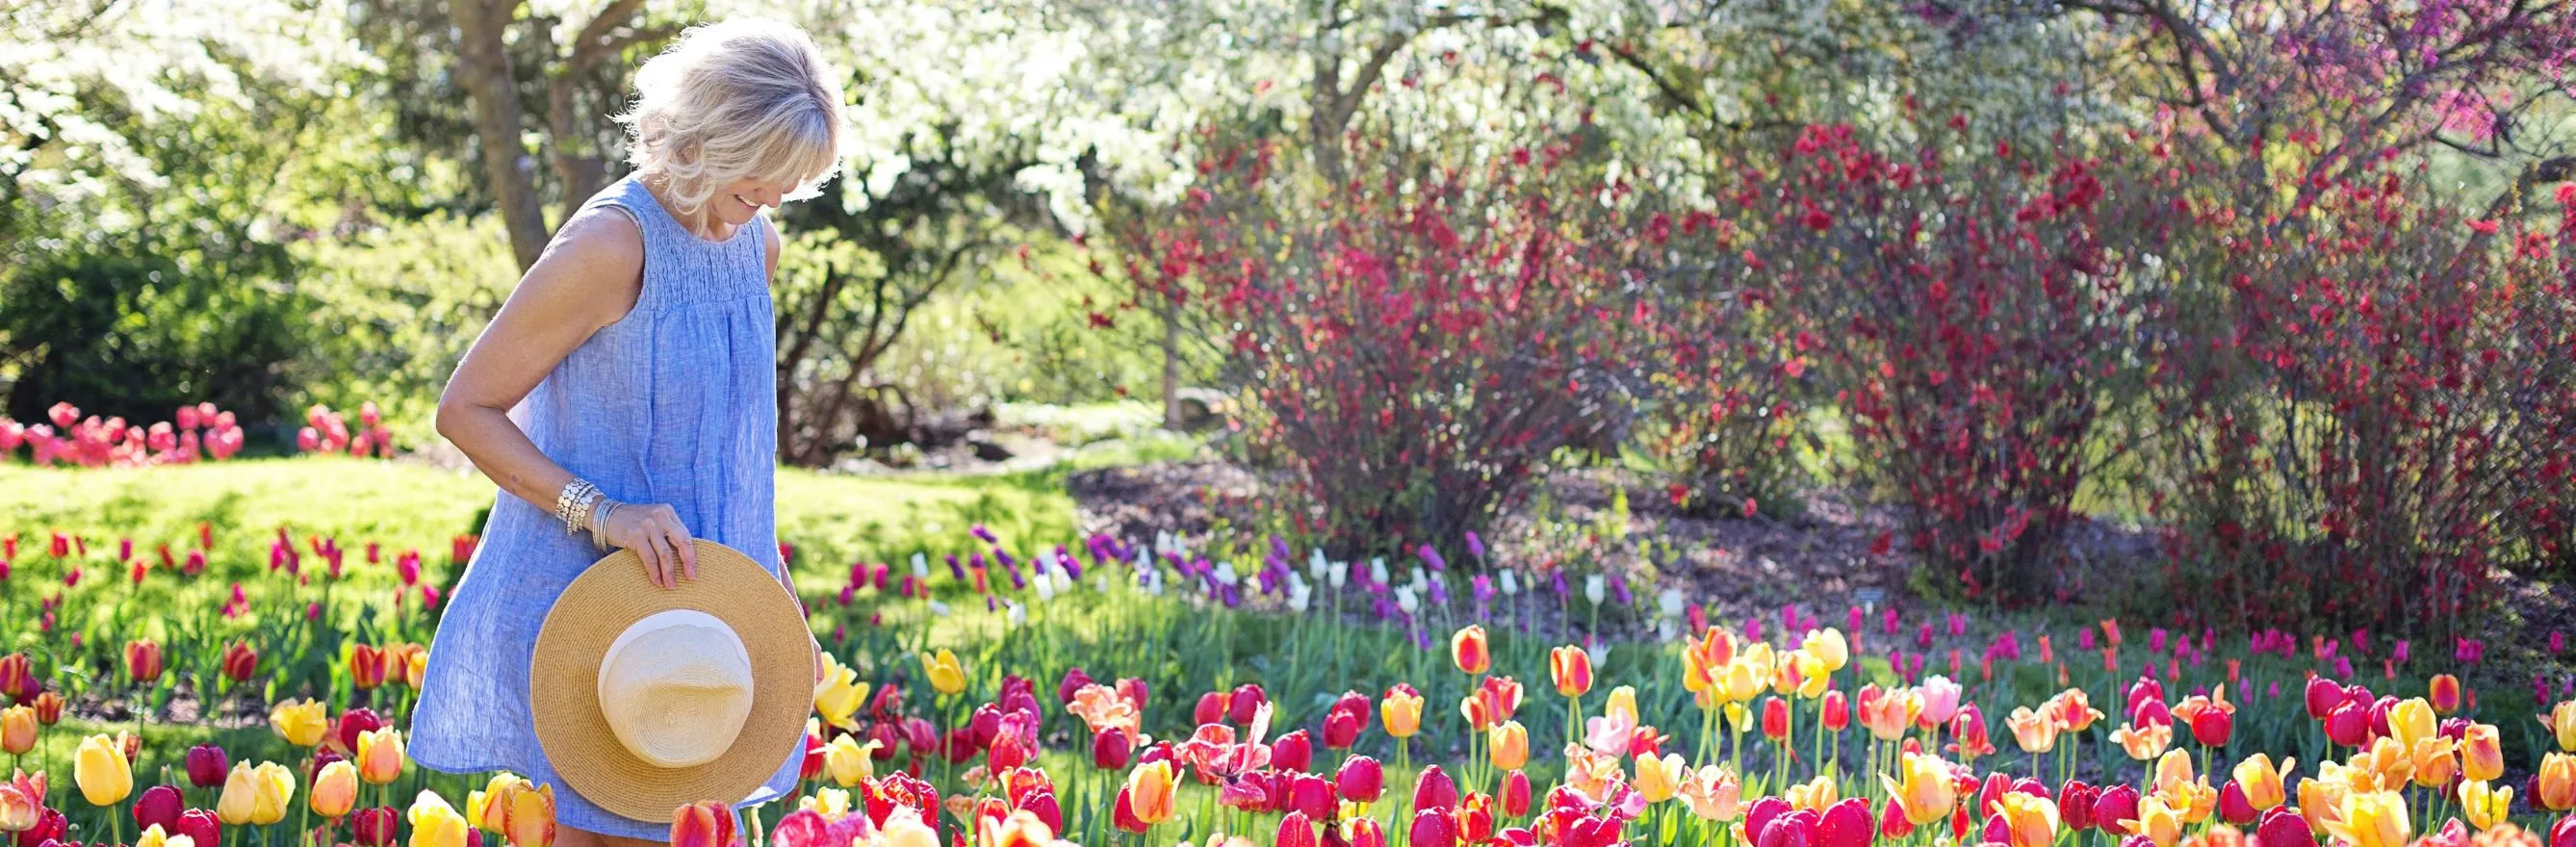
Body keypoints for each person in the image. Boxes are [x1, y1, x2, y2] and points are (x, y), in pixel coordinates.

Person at [412, 17, 846, 847]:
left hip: (708, 620)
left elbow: (730, 456)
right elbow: (464, 409)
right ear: (709, 140)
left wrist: (771, 592)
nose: (778, 198)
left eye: (795, 179)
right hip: (596, 615)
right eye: (765, 174)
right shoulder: (611, 243)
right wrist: (603, 512)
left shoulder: (756, 244)